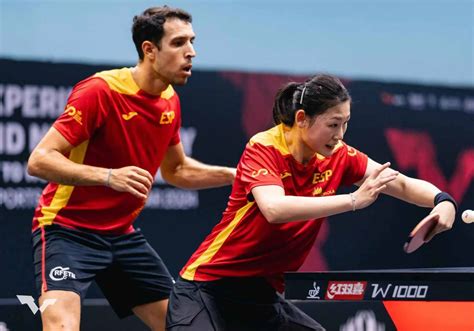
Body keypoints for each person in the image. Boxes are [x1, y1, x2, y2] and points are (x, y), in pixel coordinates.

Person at [165, 74, 457, 331]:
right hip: (207, 289)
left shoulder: (339, 155)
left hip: (260, 296)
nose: (340, 135)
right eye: (333, 124)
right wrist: (353, 200)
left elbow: (400, 183)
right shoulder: (264, 147)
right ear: (302, 118)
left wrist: (442, 200)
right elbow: (274, 209)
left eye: (345, 124)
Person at [27, 6, 235, 331]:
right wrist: (108, 176)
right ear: (149, 50)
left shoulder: (169, 100)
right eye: (179, 43)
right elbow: (39, 160)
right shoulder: (100, 91)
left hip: (122, 236)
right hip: (66, 230)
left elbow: (177, 170)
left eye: (192, 41)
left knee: (186, 326)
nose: (191, 52)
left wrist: (234, 175)